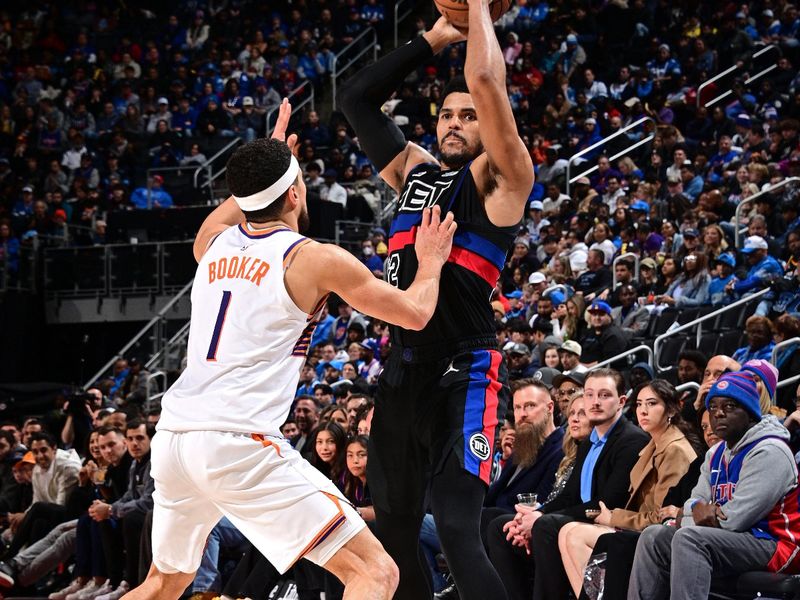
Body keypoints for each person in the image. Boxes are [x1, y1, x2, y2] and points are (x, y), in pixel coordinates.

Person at [123, 101, 458, 600]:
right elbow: (414, 313)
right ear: (297, 191)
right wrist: (430, 264)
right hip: (238, 440)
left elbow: (239, 202)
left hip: (175, 438)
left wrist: (274, 155)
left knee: (164, 581)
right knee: (376, 574)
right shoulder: (314, 259)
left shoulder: (210, 243)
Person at [338, 5, 533, 599]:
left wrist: (476, 11)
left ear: (488, 125)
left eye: (468, 117)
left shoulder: (503, 181)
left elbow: (485, 81)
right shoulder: (416, 174)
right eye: (446, 115)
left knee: (454, 527)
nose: (454, 123)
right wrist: (434, 37)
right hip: (403, 368)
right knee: (393, 533)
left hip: (466, 370)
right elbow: (355, 98)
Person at [628, 371, 800, 600]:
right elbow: (690, 506)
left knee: (689, 538)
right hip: (730, 540)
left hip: (774, 544)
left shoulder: (770, 451)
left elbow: (735, 519)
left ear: (750, 413)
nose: (718, 414)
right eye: (713, 407)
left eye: (729, 406)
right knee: (653, 536)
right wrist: (698, 511)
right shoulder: (715, 453)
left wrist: (699, 514)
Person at [487, 369, 649, 600]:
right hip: (579, 518)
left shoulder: (631, 440)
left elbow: (608, 502)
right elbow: (568, 496)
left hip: (610, 522)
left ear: (621, 401)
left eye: (604, 395)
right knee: (500, 526)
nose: (595, 402)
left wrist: (541, 519)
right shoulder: (587, 443)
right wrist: (534, 515)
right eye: (590, 394)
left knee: (546, 526)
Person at [556, 379, 698, 598]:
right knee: (568, 531)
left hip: (654, 533)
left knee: (575, 535)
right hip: (636, 526)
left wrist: (613, 518)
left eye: (652, 404)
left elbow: (662, 516)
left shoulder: (675, 450)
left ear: (670, 409)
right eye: (640, 404)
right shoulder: (653, 444)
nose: (643, 411)